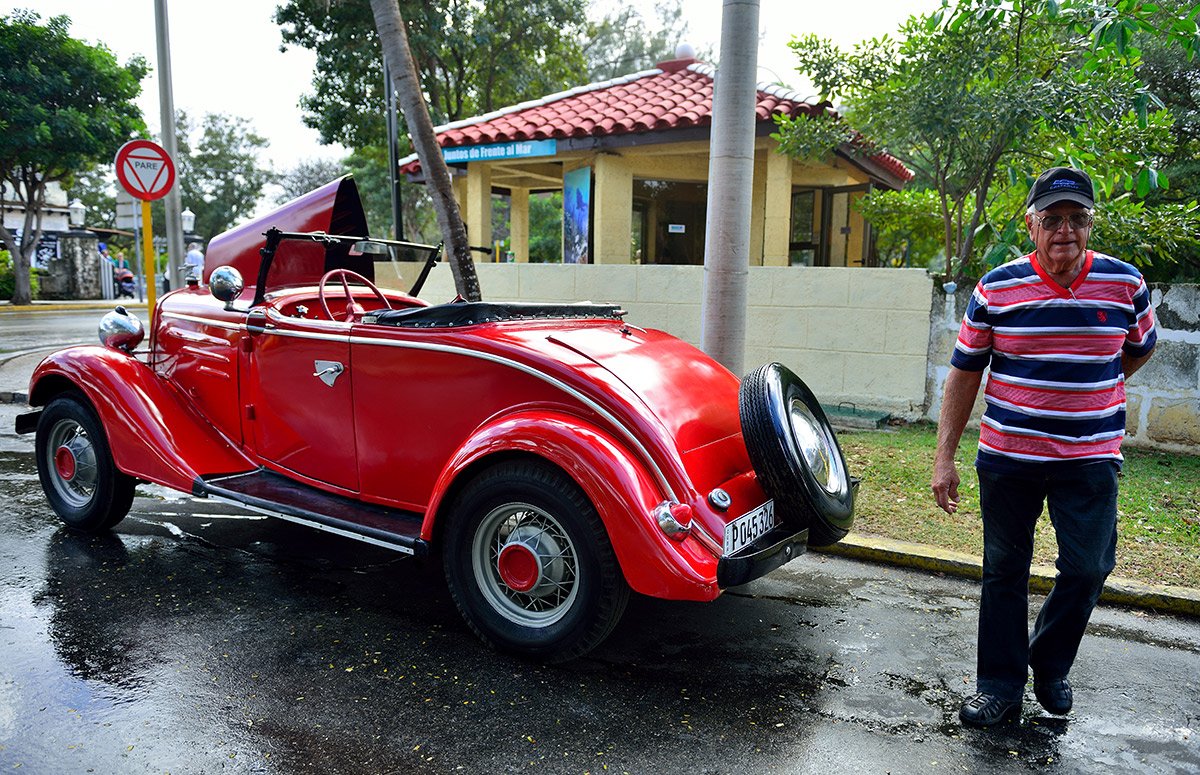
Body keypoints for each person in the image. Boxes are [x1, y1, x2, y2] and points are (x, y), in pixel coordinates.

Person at [931, 167, 1157, 728]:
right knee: (1004, 570)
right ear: (1031, 227)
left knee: (1088, 568)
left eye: (1077, 218)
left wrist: (1091, 389)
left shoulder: (1126, 285)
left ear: (1090, 225)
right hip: (1009, 457)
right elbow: (964, 373)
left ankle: (1049, 666)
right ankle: (999, 687)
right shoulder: (996, 288)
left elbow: (1136, 350)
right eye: (1052, 219)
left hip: (1091, 460)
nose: (1065, 230)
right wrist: (944, 457)